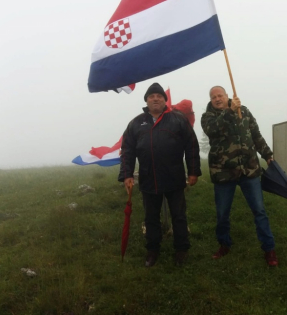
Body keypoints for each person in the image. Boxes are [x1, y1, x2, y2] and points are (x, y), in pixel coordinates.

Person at [118, 83, 201, 267]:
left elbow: (192, 145)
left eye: (159, 96)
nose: (155, 98)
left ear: (165, 100)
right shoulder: (136, 123)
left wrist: (193, 171)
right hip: (148, 179)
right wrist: (127, 175)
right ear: (146, 100)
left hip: (174, 177)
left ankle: (181, 250)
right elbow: (127, 150)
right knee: (151, 217)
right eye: (151, 96)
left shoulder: (178, 119)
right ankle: (152, 250)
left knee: (178, 216)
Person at [201, 86, 278, 267]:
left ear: (227, 96)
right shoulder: (208, 117)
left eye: (220, 95)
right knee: (222, 214)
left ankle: (269, 249)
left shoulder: (244, 111)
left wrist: (267, 154)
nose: (217, 99)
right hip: (223, 172)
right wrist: (229, 110)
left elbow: (256, 135)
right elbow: (212, 130)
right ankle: (224, 244)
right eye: (213, 97)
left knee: (259, 211)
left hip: (249, 169)